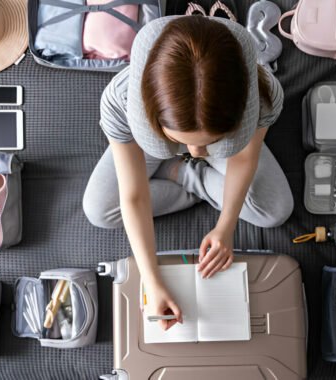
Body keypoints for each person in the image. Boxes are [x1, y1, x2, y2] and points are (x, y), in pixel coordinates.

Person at [83, 15, 293, 330]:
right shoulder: (120, 100)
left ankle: (186, 176)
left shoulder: (264, 97)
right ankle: (184, 169)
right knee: (99, 210)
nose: (195, 153)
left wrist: (226, 227)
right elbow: (133, 194)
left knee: (275, 210)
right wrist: (151, 281)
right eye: (182, 142)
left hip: (217, 153)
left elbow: (243, 159)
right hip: (149, 150)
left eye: (208, 144)